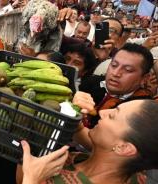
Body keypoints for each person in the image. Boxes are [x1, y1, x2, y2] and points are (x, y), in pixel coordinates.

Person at [17, 99, 158, 184]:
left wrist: (32, 177)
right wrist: (74, 120)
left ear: (124, 148)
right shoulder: (128, 166)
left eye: (113, 115)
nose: (103, 112)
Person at [79, 43, 154, 128]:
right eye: (114, 65)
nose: (115, 73)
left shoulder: (141, 110)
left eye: (128, 70)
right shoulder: (91, 82)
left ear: (145, 78)